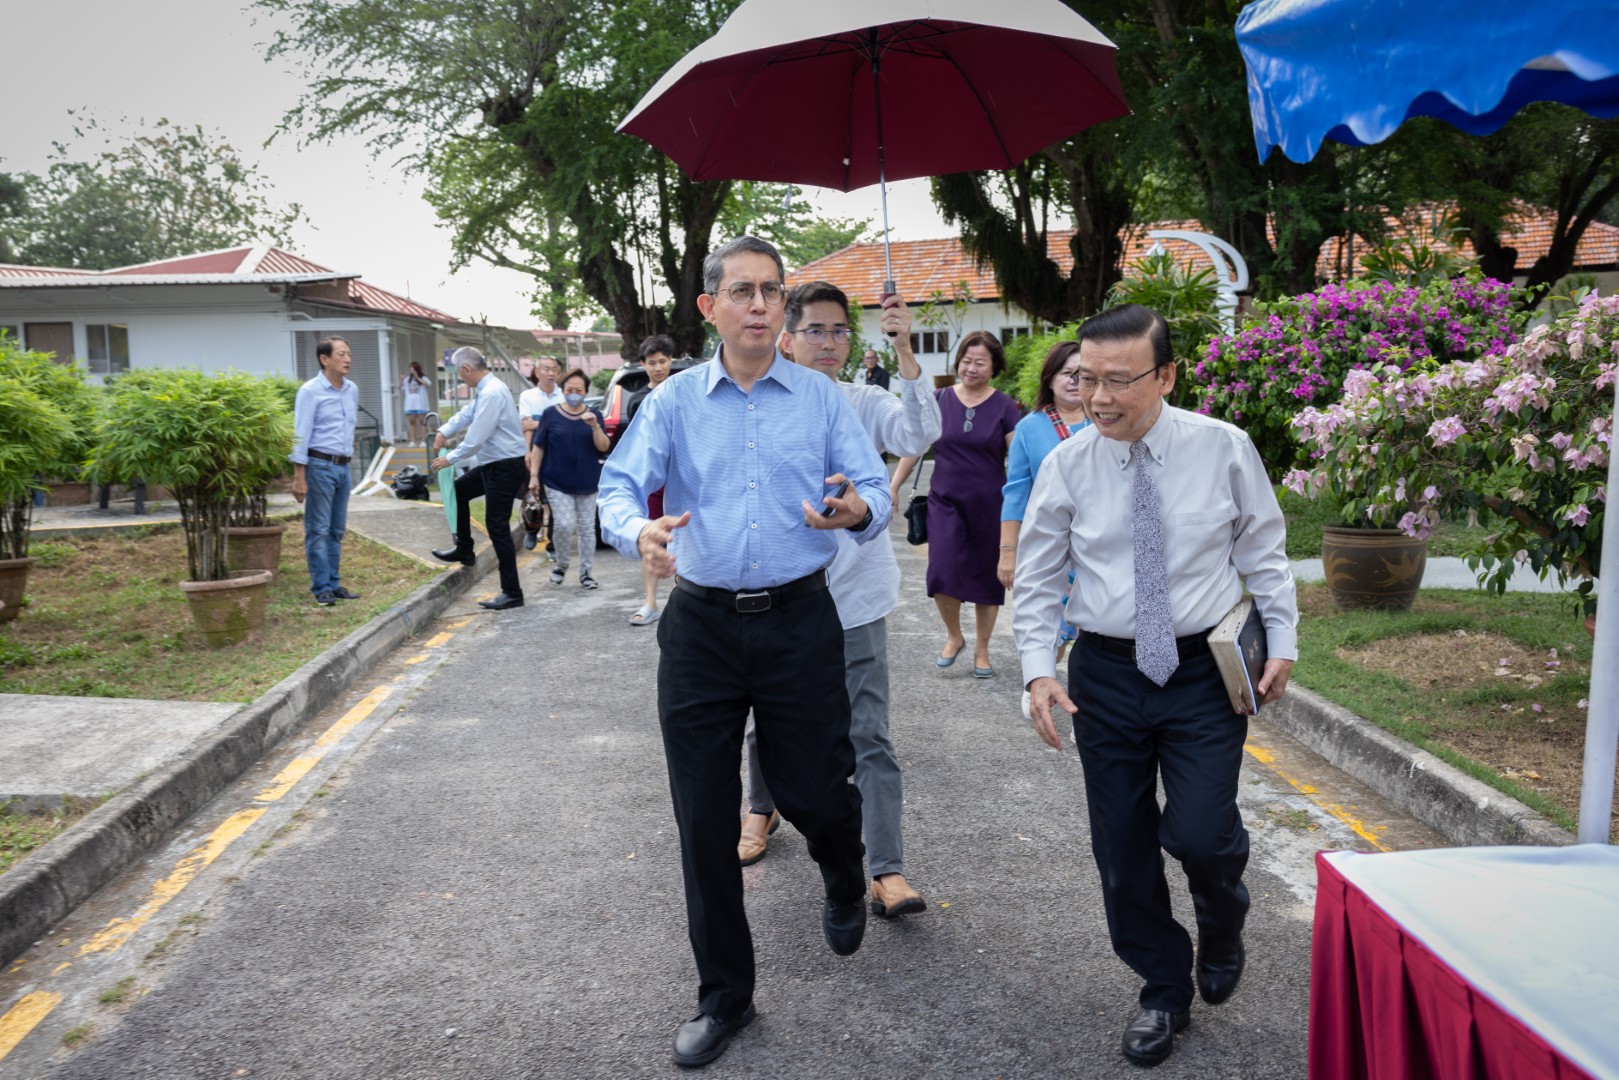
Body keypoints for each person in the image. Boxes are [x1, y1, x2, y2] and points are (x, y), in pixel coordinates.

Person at [598, 236, 891, 1069]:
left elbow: (871, 487)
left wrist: (855, 510)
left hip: (800, 620)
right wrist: (636, 531)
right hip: (701, 627)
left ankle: (843, 869)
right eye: (742, 291)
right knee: (702, 815)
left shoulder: (821, 399)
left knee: (815, 791)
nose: (759, 305)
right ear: (710, 307)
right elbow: (619, 485)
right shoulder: (674, 401)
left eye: (771, 291)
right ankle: (724, 995)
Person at [1012, 304, 1298, 1068]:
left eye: (1117, 381)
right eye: (1085, 380)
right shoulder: (1066, 464)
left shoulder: (1221, 448)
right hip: (1104, 673)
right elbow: (1036, 578)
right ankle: (1163, 988)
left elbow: (1264, 552)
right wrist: (1038, 670)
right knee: (1122, 845)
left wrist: (1283, 641)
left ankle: (1221, 914)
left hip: (1202, 672)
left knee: (1201, 834)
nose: (1098, 398)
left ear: (1165, 375)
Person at [737, 280, 939, 923]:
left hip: (854, 595)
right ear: (787, 337)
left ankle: (886, 868)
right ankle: (760, 808)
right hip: (775, 593)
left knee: (867, 732)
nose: (829, 342)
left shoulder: (863, 400)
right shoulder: (754, 404)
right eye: (816, 330)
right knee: (767, 715)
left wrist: (905, 350)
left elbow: (920, 431)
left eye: (840, 330)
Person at [891, 331, 1021, 677]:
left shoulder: (1005, 407)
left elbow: (1019, 459)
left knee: (987, 577)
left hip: (990, 505)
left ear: (994, 367)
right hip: (944, 502)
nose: (971, 368)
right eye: (966, 360)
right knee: (941, 570)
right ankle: (954, 636)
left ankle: (982, 650)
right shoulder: (939, 399)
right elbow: (916, 446)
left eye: (980, 362)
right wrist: (893, 485)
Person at [999, 341, 1090, 719]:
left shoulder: (1107, 421)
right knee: (1054, 621)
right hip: (1052, 545)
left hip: (1099, 544)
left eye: (1083, 374)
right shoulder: (1029, 428)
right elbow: (1015, 493)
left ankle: (1087, 703)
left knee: (1092, 627)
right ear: (1049, 379)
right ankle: (1041, 677)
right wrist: (1008, 552)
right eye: (1067, 373)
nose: (1075, 381)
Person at [428, 347, 529, 612]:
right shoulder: (486, 390)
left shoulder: (492, 392)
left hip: (505, 466)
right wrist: (443, 431)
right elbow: (467, 414)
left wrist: (450, 458)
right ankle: (464, 549)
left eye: (460, 375)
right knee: (459, 491)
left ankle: (512, 592)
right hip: (493, 465)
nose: (461, 379)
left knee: (497, 526)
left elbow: (476, 439)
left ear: (467, 369)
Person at [290, 336, 362, 607]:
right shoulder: (310, 391)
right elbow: (300, 434)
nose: (348, 359)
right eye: (341, 354)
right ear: (324, 359)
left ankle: (333, 583)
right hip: (319, 466)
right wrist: (299, 477)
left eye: (349, 354)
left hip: (344, 466)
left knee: (337, 529)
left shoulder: (351, 389)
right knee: (318, 529)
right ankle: (321, 588)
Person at [530, 367, 609, 589]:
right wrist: (534, 476)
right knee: (564, 525)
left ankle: (586, 573)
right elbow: (538, 446)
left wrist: (594, 427)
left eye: (579, 390)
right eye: (570, 389)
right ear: (563, 390)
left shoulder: (595, 416)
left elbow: (603, 446)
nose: (574, 393)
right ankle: (562, 564)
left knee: (587, 529)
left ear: (586, 391)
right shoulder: (550, 414)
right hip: (557, 482)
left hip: (588, 482)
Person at [624, 334, 677, 626]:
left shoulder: (683, 392)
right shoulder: (637, 401)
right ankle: (650, 602)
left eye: (663, 361)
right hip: (654, 485)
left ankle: (686, 600)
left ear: (671, 361)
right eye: (652, 362)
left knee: (686, 542)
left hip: (683, 480)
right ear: (643, 364)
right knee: (653, 539)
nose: (658, 367)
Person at [518, 357, 566, 554]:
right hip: (535, 450)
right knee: (533, 493)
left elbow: (566, 424)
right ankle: (532, 529)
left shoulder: (564, 395)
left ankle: (553, 543)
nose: (551, 373)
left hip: (559, 453)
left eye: (555, 369)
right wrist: (527, 452)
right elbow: (526, 426)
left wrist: (540, 423)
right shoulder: (527, 396)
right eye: (546, 369)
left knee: (556, 500)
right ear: (537, 372)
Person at [400, 361, 431, 446]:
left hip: (421, 405)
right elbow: (400, 388)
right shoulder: (407, 380)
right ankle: (412, 441)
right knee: (411, 422)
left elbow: (428, 385)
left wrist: (417, 378)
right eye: (410, 368)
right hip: (410, 405)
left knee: (422, 422)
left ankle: (424, 441)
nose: (410, 369)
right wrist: (401, 379)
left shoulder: (423, 378)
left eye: (412, 368)